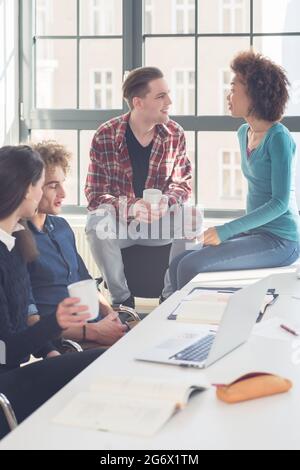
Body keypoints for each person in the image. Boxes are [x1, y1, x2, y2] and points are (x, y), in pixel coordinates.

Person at [169, 51, 300, 292]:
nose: (228, 95)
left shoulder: (278, 138)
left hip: (281, 240)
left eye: (233, 87)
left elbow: (280, 203)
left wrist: (226, 230)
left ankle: (186, 323)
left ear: (254, 94)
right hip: (256, 233)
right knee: (178, 263)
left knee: (189, 267)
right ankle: (171, 322)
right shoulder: (244, 133)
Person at [0, 145, 103, 439]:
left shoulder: (15, 243)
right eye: (41, 184)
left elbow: (20, 329)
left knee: (100, 363)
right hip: (4, 389)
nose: (42, 192)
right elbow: (7, 347)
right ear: (25, 189)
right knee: (97, 364)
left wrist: (50, 350)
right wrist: (56, 323)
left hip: (13, 374)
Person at [85, 67, 195, 308]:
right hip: (123, 226)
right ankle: (121, 300)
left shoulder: (175, 134)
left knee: (192, 216)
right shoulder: (105, 135)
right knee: (95, 221)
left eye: (168, 94)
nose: (169, 102)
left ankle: (170, 297)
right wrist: (130, 207)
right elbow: (94, 194)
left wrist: (166, 202)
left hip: (159, 222)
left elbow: (183, 183)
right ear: (138, 102)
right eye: (160, 96)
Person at [27, 141, 127, 347]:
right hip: (68, 340)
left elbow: (85, 280)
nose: (63, 193)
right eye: (53, 186)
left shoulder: (62, 227)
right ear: (32, 187)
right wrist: (93, 332)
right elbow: (31, 321)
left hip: (94, 326)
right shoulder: (18, 241)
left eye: (63, 184)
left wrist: (111, 315)